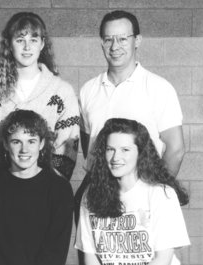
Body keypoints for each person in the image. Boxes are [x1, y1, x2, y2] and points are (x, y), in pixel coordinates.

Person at [75, 9, 185, 221]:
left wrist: (156, 192)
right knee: (94, 252)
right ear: (102, 43)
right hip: (100, 191)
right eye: (108, 40)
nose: (115, 47)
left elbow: (176, 149)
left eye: (123, 39)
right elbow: (90, 146)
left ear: (137, 40)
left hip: (143, 193)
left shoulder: (158, 88)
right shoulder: (88, 90)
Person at [0, 12, 80, 180]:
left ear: (42, 44)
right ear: (9, 44)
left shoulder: (62, 91)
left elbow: (67, 147)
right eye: (20, 40)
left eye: (33, 40)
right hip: (1, 186)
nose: (27, 47)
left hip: (47, 188)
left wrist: (49, 184)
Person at [75, 118, 190, 265]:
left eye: (125, 150)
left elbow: (162, 260)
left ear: (140, 153)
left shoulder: (161, 195)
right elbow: (90, 258)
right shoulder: (90, 195)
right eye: (110, 149)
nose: (116, 157)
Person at [0, 109, 74, 265]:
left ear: (41, 144)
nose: (24, 150)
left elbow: (55, 252)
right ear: (6, 145)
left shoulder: (59, 190)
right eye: (16, 142)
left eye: (31, 141)